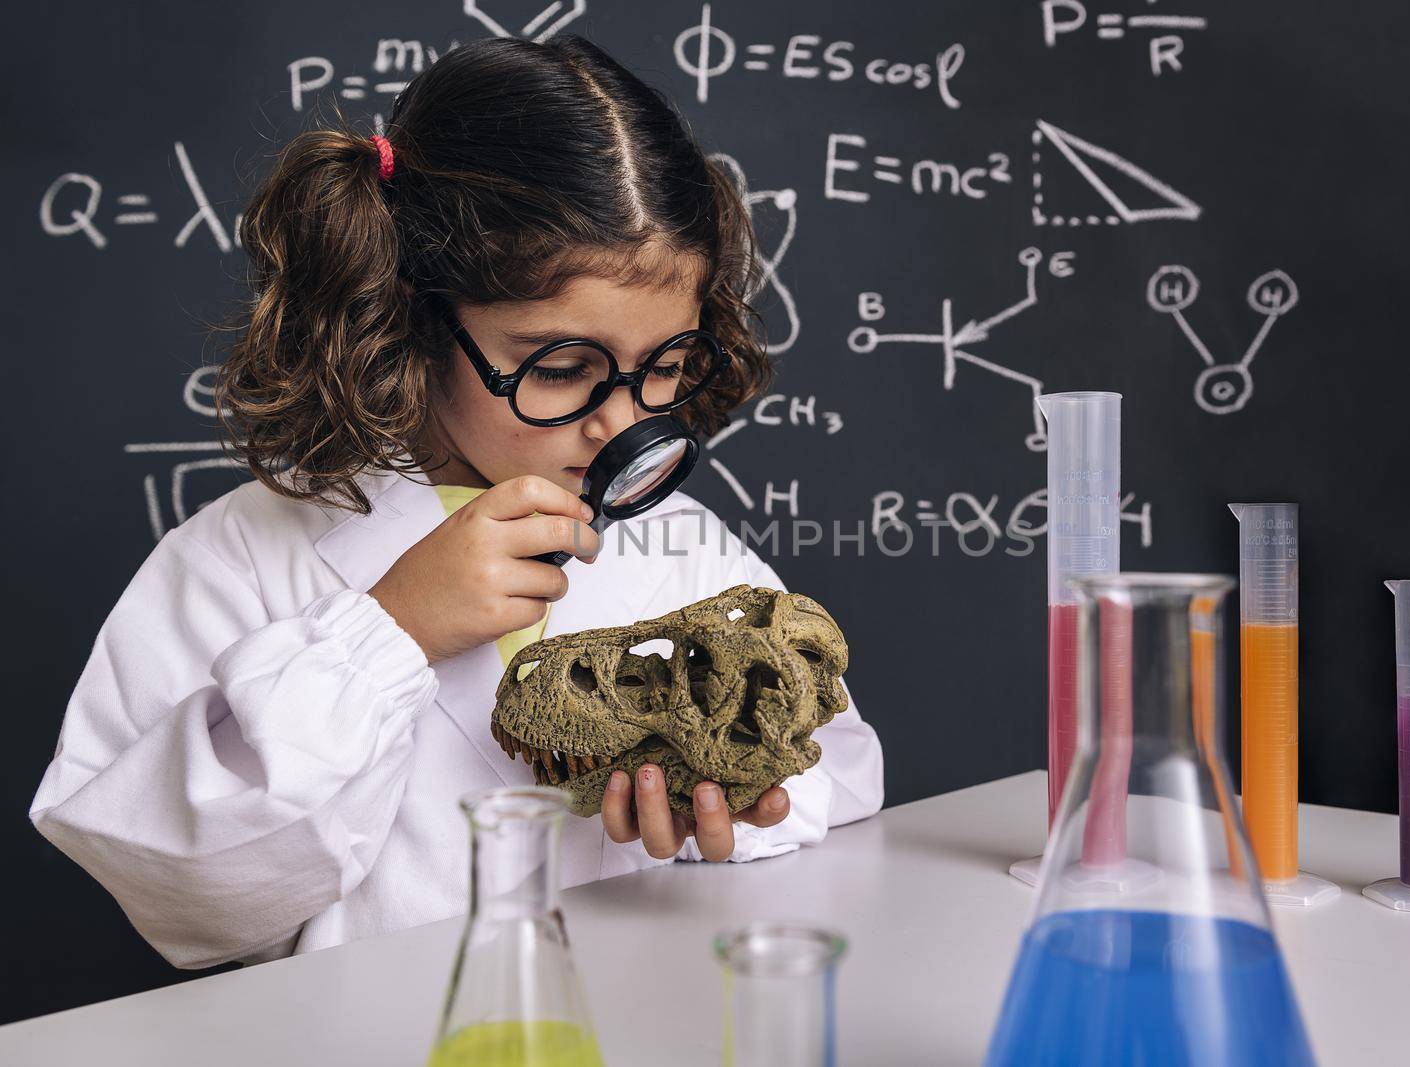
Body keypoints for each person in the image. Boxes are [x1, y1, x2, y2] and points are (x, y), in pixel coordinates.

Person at [29, 34, 883, 970]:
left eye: (667, 367)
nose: (622, 426)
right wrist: (387, 634)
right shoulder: (234, 561)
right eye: (561, 368)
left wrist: (736, 805)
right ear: (408, 321)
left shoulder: (687, 551)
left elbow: (838, 776)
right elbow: (181, 901)